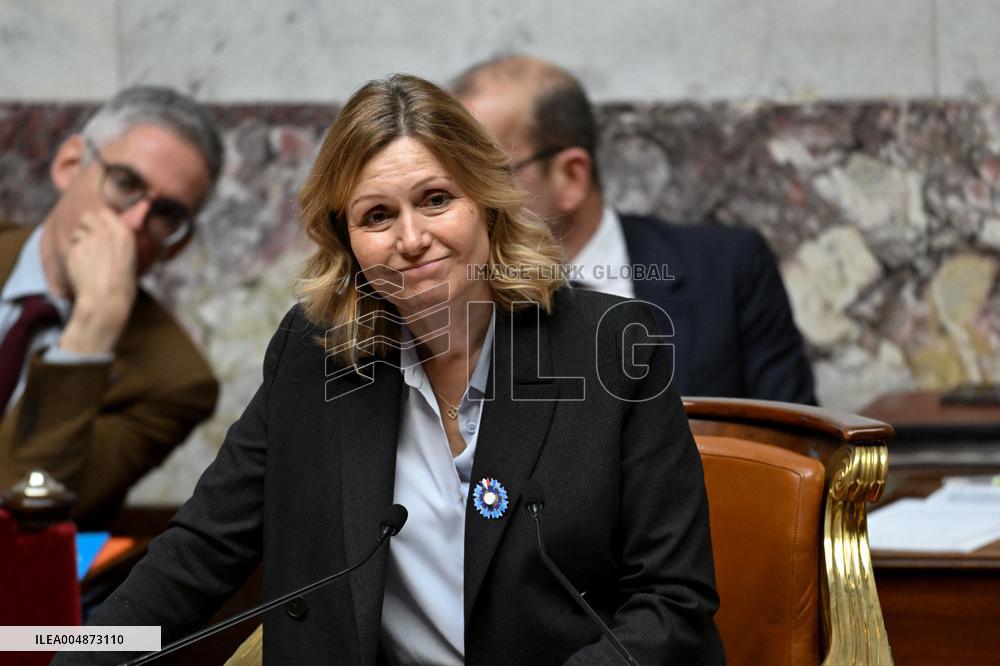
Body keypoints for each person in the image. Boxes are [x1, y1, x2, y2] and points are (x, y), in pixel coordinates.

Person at [54, 74, 724, 665]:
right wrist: (69, 656)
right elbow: (200, 551)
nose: (411, 239)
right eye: (377, 216)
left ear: (486, 203)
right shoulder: (314, 353)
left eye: (435, 199)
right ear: (346, 242)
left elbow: (672, 600)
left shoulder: (612, 345)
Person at [453, 55, 817, 404]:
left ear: (571, 176)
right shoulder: (459, 295)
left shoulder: (728, 270)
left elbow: (790, 434)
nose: (461, 202)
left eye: (486, 175)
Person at [0, 87, 221, 525]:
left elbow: (30, 517)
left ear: (176, 246)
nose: (134, 222)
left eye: (165, 214)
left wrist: (92, 332)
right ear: (69, 165)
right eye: (125, 184)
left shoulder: (177, 383)